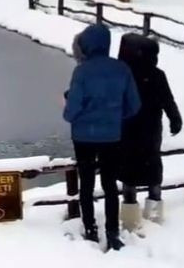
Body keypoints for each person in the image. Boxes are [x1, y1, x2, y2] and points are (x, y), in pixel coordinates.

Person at [63, 22, 141, 251]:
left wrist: (68, 109)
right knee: (109, 185)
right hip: (111, 137)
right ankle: (113, 232)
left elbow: (72, 111)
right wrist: (114, 117)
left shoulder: (82, 71)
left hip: (84, 138)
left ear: (86, 45)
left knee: (86, 183)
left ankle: (90, 229)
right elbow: (133, 105)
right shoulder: (121, 69)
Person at [117, 33, 182, 229]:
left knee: (129, 175)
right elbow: (168, 100)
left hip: (127, 131)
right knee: (152, 171)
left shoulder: (121, 75)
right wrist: (175, 118)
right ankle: (154, 216)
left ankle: (129, 220)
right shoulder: (156, 74)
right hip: (150, 131)